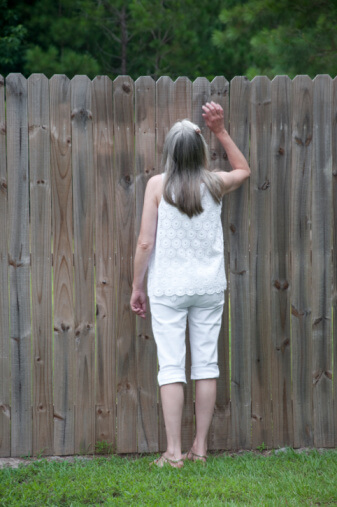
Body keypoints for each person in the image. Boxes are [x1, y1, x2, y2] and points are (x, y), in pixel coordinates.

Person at [130, 101, 250, 468]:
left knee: (171, 368)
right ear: (199, 151)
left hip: (167, 289)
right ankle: (199, 448)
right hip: (209, 287)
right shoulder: (214, 182)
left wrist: (137, 286)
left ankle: (173, 452)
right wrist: (220, 131)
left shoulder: (157, 185)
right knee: (206, 365)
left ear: (169, 152)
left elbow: (145, 243)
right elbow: (244, 170)